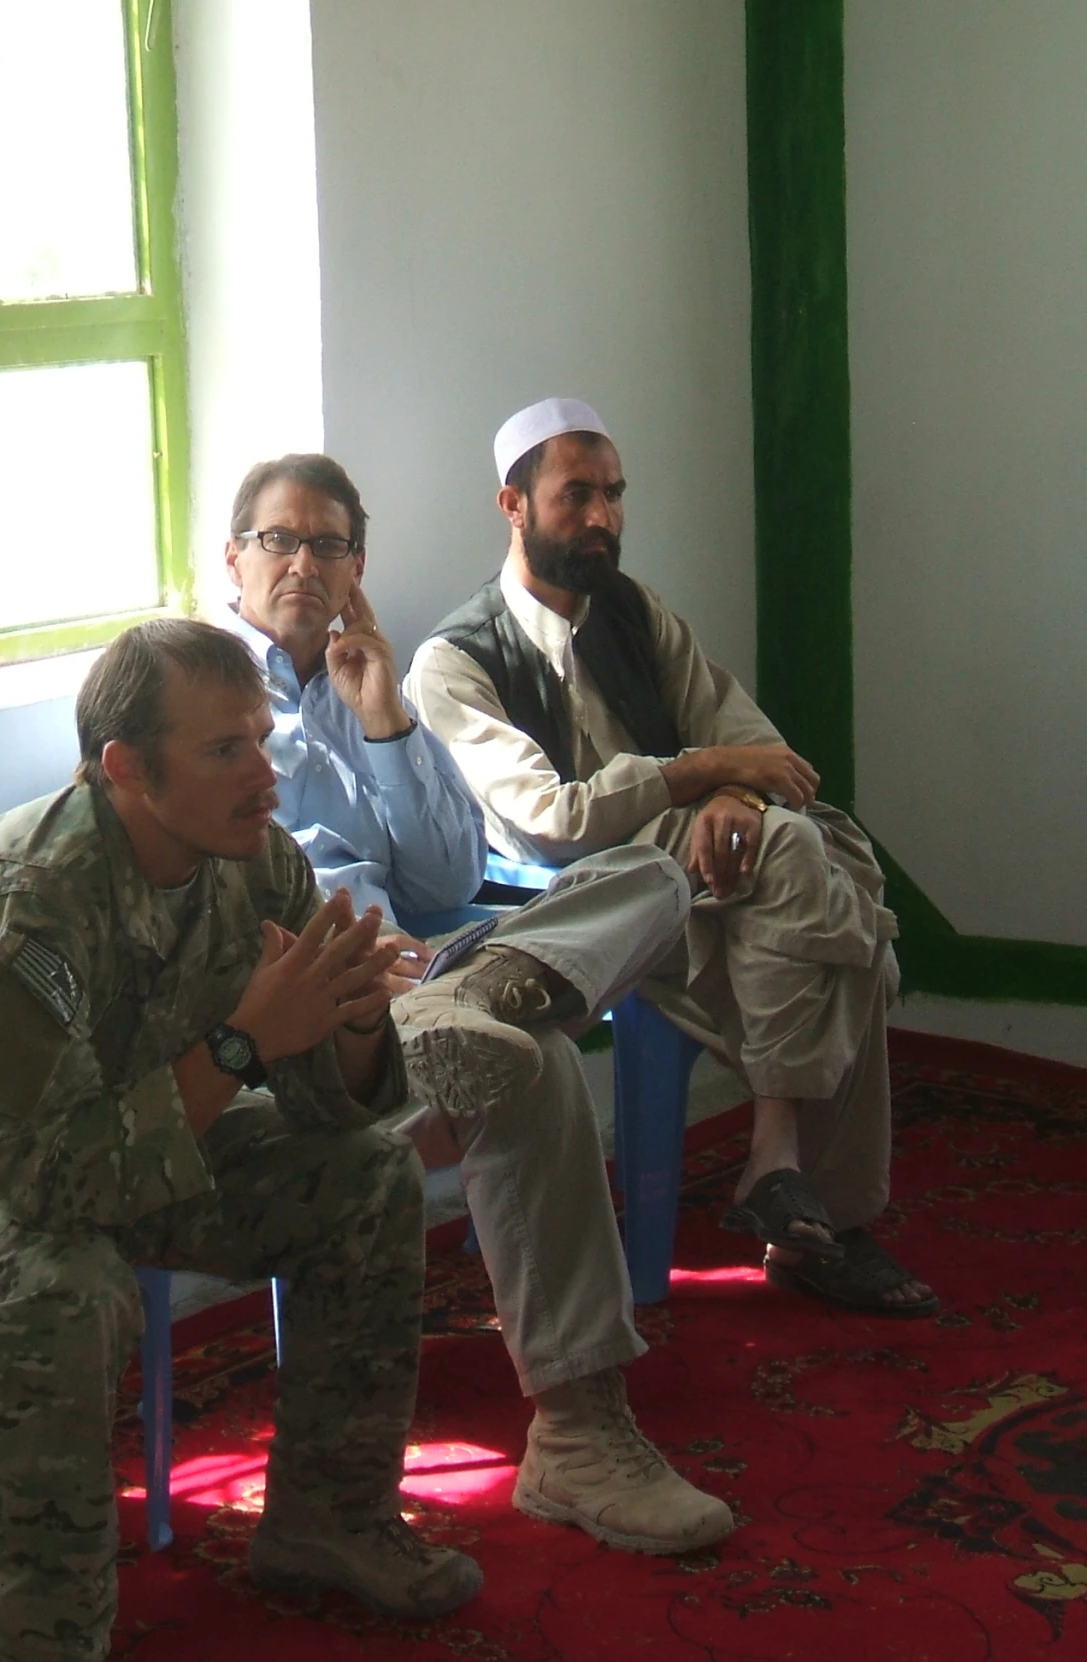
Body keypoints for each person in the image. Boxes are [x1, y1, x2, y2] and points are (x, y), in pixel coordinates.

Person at [0, 619, 484, 1662]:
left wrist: (348, 1022)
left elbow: (334, 1114)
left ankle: (330, 1520)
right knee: (61, 1281)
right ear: (124, 768)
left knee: (365, 1177)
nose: (264, 775)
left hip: (119, 1128)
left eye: (261, 740)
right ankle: (46, 1640)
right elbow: (38, 1181)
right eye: (226, 750)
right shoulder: (33, 903)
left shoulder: (252, 854)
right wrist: (242, 1040)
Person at [218, 454, 734, 1555]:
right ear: (232, 560)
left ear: (358, 567)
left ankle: (480, 995)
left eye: (328, 546)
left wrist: (384, 718)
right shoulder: (199, 691)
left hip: (430, 960)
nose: (303, 564)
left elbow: (447, 878)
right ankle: (579, 1434)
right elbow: (211, 892)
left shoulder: (369, 681)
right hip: (318, 999)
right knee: (528, 1061)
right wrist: (357, 957)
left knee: (649, 876)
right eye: (278, 541)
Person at [408, 398, 937, 1318]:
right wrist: (699, 774)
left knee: (801, 851)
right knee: (845, 931)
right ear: (513, 504)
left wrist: (732, 791)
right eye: (576, 495)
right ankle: (815, 1207)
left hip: (718, 875)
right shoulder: (454, 661)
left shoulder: (635, 613)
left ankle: (784, 1173)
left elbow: (753, 743)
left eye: (614, 495)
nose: (603, 517)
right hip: (584, 896)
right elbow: (545, 821)